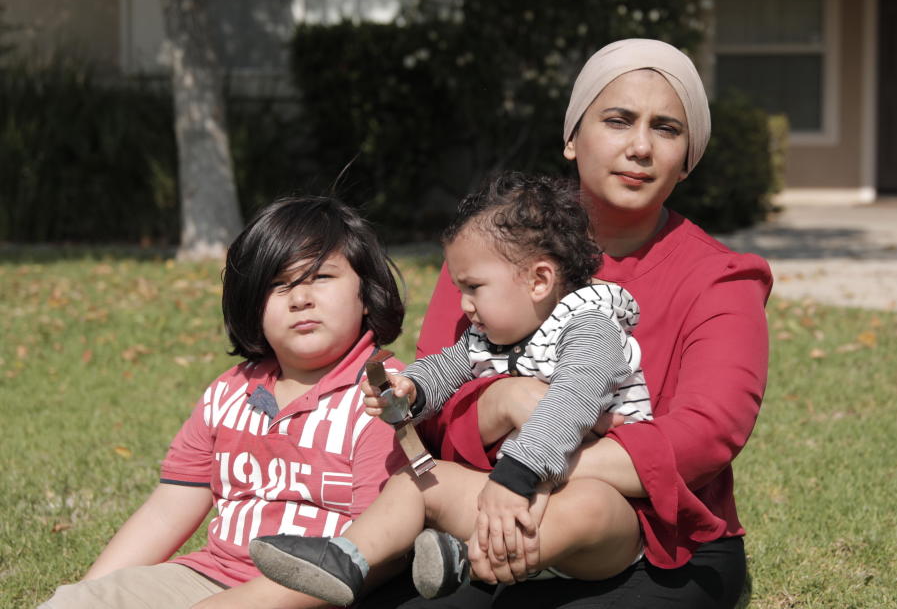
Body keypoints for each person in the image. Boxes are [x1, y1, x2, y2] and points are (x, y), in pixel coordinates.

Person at [364, 38, 773, 608]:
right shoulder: (490, 254)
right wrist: (502, 401)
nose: (640, 147)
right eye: (618, 120)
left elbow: (707, 433)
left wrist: (535, 471)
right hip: (482, 512)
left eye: (666, 129)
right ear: (572, 137)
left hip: (657, 551)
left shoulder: (721, 278)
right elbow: (432, 414)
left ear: (688, 159)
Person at [249, 172, 653, 606]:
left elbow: (569, 402)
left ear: (539, 280)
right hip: (510, 497)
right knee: (418, 480)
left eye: (474, 287)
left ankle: (465, 558)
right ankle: (346, 559)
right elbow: (447, 367)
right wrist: (412, 391)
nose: (464, 304)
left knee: (589, 505)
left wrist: (515, 478)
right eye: (461, 288)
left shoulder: (591, 329)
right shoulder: (494, 334)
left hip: (600, 525)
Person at [39, 196, 407, 609]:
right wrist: (92, 593)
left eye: (320, 276)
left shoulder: (384, 394)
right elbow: (167, 511)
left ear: (366, 291)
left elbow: (379, 552)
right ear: (251, 301)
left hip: (321, 595)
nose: (300, 298)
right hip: (209, 577)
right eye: (278, 284)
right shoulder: (229, 393)